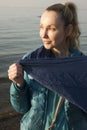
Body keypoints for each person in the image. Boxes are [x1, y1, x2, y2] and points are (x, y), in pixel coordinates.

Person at [8, 2, 87, 130]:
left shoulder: (81, 67)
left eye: (51, 29)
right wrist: (18, 85)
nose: (43, 34)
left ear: (68, 30)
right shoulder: (31, 61)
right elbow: (21, 108)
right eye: (41, 27)